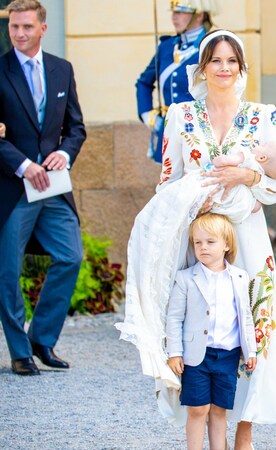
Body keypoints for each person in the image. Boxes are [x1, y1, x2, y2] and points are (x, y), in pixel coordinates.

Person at [116, 29, 276, 449]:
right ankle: (198, 423)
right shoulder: (180, 115)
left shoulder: (263, 115)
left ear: (241, 67)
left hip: (247, 240)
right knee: (198, 328)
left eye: (232, 61)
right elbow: (167, 181)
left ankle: (244, 431)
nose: (224, 68)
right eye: (216, 60)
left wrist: (247, 175)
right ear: (203, 67)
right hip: (196, 237)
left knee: (253, 332)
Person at [0, 0, 86, 376]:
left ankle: (42, 339)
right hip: (11, 186)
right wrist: (23, 164)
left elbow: (76, 128)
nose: (19, 33)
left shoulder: (61, 69)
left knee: (71, 256)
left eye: (26, 27)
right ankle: (19, 351)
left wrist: (63, 156)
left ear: (42, 28)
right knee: (7, 272)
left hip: (52, 187)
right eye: (14, 27)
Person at [166, 213, 257, 450]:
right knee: (197, 408)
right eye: (198, 242)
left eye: (210, 242)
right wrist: (174, 352)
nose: (203, 247)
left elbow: (245, 316)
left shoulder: (239, 277)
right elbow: (174, 318)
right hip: (197, 355)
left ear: (226, 244)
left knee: (219, 409)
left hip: (227, 354)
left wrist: (251, 351)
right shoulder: (186, 278)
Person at [135, 0, 215, 163]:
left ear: (198, 15)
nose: (174, 17)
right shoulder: (166, 47)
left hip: (202, 135)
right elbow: (144, 82)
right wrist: (149, 117)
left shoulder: (211, 47)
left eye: (180, 12)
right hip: (170, 133)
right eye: (173, 12)